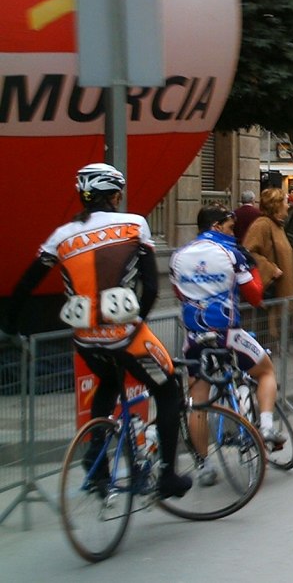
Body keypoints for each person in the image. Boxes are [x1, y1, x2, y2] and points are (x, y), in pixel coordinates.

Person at [3, 163, 191, 498]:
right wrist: (138, 322)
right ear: (115, 195)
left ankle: (97, 464)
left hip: (85, 339)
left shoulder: (61, 236)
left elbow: (25, 285)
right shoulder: (134, 224)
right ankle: (167, 476)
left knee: (107, 382)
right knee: (168, 389)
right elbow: (150, 288)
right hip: (126, 334)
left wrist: (10, 329)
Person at [170, 205, 286, 484]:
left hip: (194, 338)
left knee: (199, 402)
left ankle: (204, 466)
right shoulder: (232, 253)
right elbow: (255, 295)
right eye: (231, 227)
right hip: (228, 334)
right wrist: (253, 269)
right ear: (217, 226)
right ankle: (266, 427)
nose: (234, 233)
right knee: (266, 371)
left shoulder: (178, 256)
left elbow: (178, 292)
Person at [242, 187, 293, 343]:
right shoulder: (262, 225)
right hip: (269, 294)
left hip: (278, 293)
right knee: (265, 337)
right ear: (276, 204)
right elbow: (248, 253)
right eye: (285, 202)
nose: (288, 206)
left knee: (273, 339)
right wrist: (270, 269)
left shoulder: (277, 225)